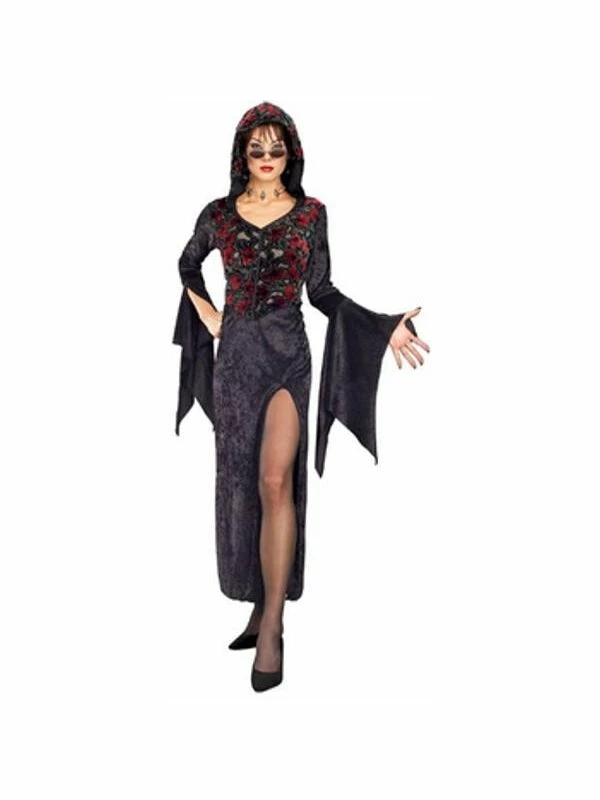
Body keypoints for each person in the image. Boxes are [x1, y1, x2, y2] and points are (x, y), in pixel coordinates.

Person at [172, 101, 430, 692]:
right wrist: (208, 310)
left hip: (288, 356)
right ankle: (256, 603)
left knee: (274, 481)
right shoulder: (218, 215)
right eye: (256, 149)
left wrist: (381, 325)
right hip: (237, 362)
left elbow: (322, 291)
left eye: (277, 148)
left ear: (291, 153)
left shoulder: (312, 215)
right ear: (241, 155)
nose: (267, 158)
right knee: (243, 486)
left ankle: (273, 628)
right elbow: (187, 264)